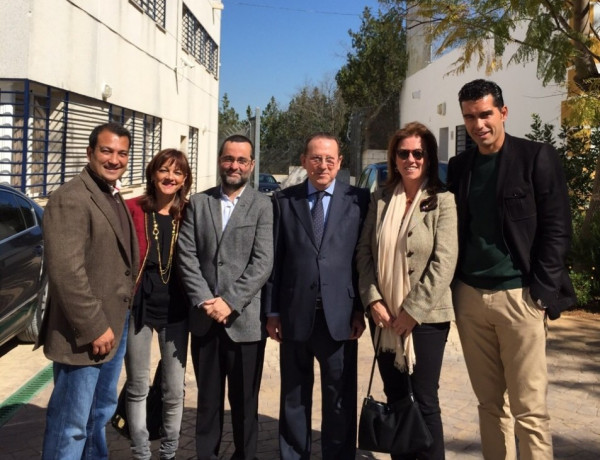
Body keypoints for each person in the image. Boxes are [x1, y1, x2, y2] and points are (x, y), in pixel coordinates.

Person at [447, 79, 576, 460]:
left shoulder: (536, 157)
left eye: (485, 114)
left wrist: (541, 291)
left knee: (530, 410)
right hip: (469, 298)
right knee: (489, 405)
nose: (478, 124)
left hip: (520, 298)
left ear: (502, 112)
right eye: (470, 117)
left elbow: (557, 227)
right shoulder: (460, 166)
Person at [356, 122, 458, 459]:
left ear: (428, 157)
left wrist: (413, 311)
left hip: (426, 318)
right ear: (394, 158)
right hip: (383, 318)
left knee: (424, 401)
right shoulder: (381, 199)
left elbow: (445, 261)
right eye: (404, 153)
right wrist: (373, 300)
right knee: (397, 396)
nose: (411, 159)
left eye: (418, 153)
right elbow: (364, 254)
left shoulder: (443, 200)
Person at [264, 132, 369, 459]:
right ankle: (294, 454)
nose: (322, 165)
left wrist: (359, 310)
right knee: (294, 395)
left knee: (339, 396)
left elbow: (362, 260)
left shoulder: (360, 200)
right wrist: (273, 312)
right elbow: (275, 260)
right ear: (304, 161)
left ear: (339, 163)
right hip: (295, 313)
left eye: (329, 159)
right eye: (316, 158)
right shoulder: (283, 201)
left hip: (340, 316)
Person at [38, 122, 138, 459]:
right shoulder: (71, 198)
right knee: (71, 424)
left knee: (98, 415)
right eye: (106, 151)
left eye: (121, 153)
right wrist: (94, 326)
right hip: (86, 334)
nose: (114, 159)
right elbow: (67, 272)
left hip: (114, 326)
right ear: (90, 153)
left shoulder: (110, 194)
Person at [177, 134, 273, 460]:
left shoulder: (263, 205)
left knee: (245, 404)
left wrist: (229, 301)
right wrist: (206, 300)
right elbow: (186, 256)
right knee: (208, 403)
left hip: (244, 322)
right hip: (205, 321)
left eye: (241, 160)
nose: (234, 165)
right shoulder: (198, 203)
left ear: (251, 165)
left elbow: (263, 263)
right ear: (220, 161)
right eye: (229, 159)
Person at [124, 148, 192, 460]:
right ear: (153, 173)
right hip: (138, 308)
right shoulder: (132, 209)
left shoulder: (189, 213)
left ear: (184, 180)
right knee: (137, 385)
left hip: (176, 311)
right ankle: (140, 453)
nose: (170, 177)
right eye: (164, 170)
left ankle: (168, 453)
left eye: (177, 173)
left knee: (174, 390)